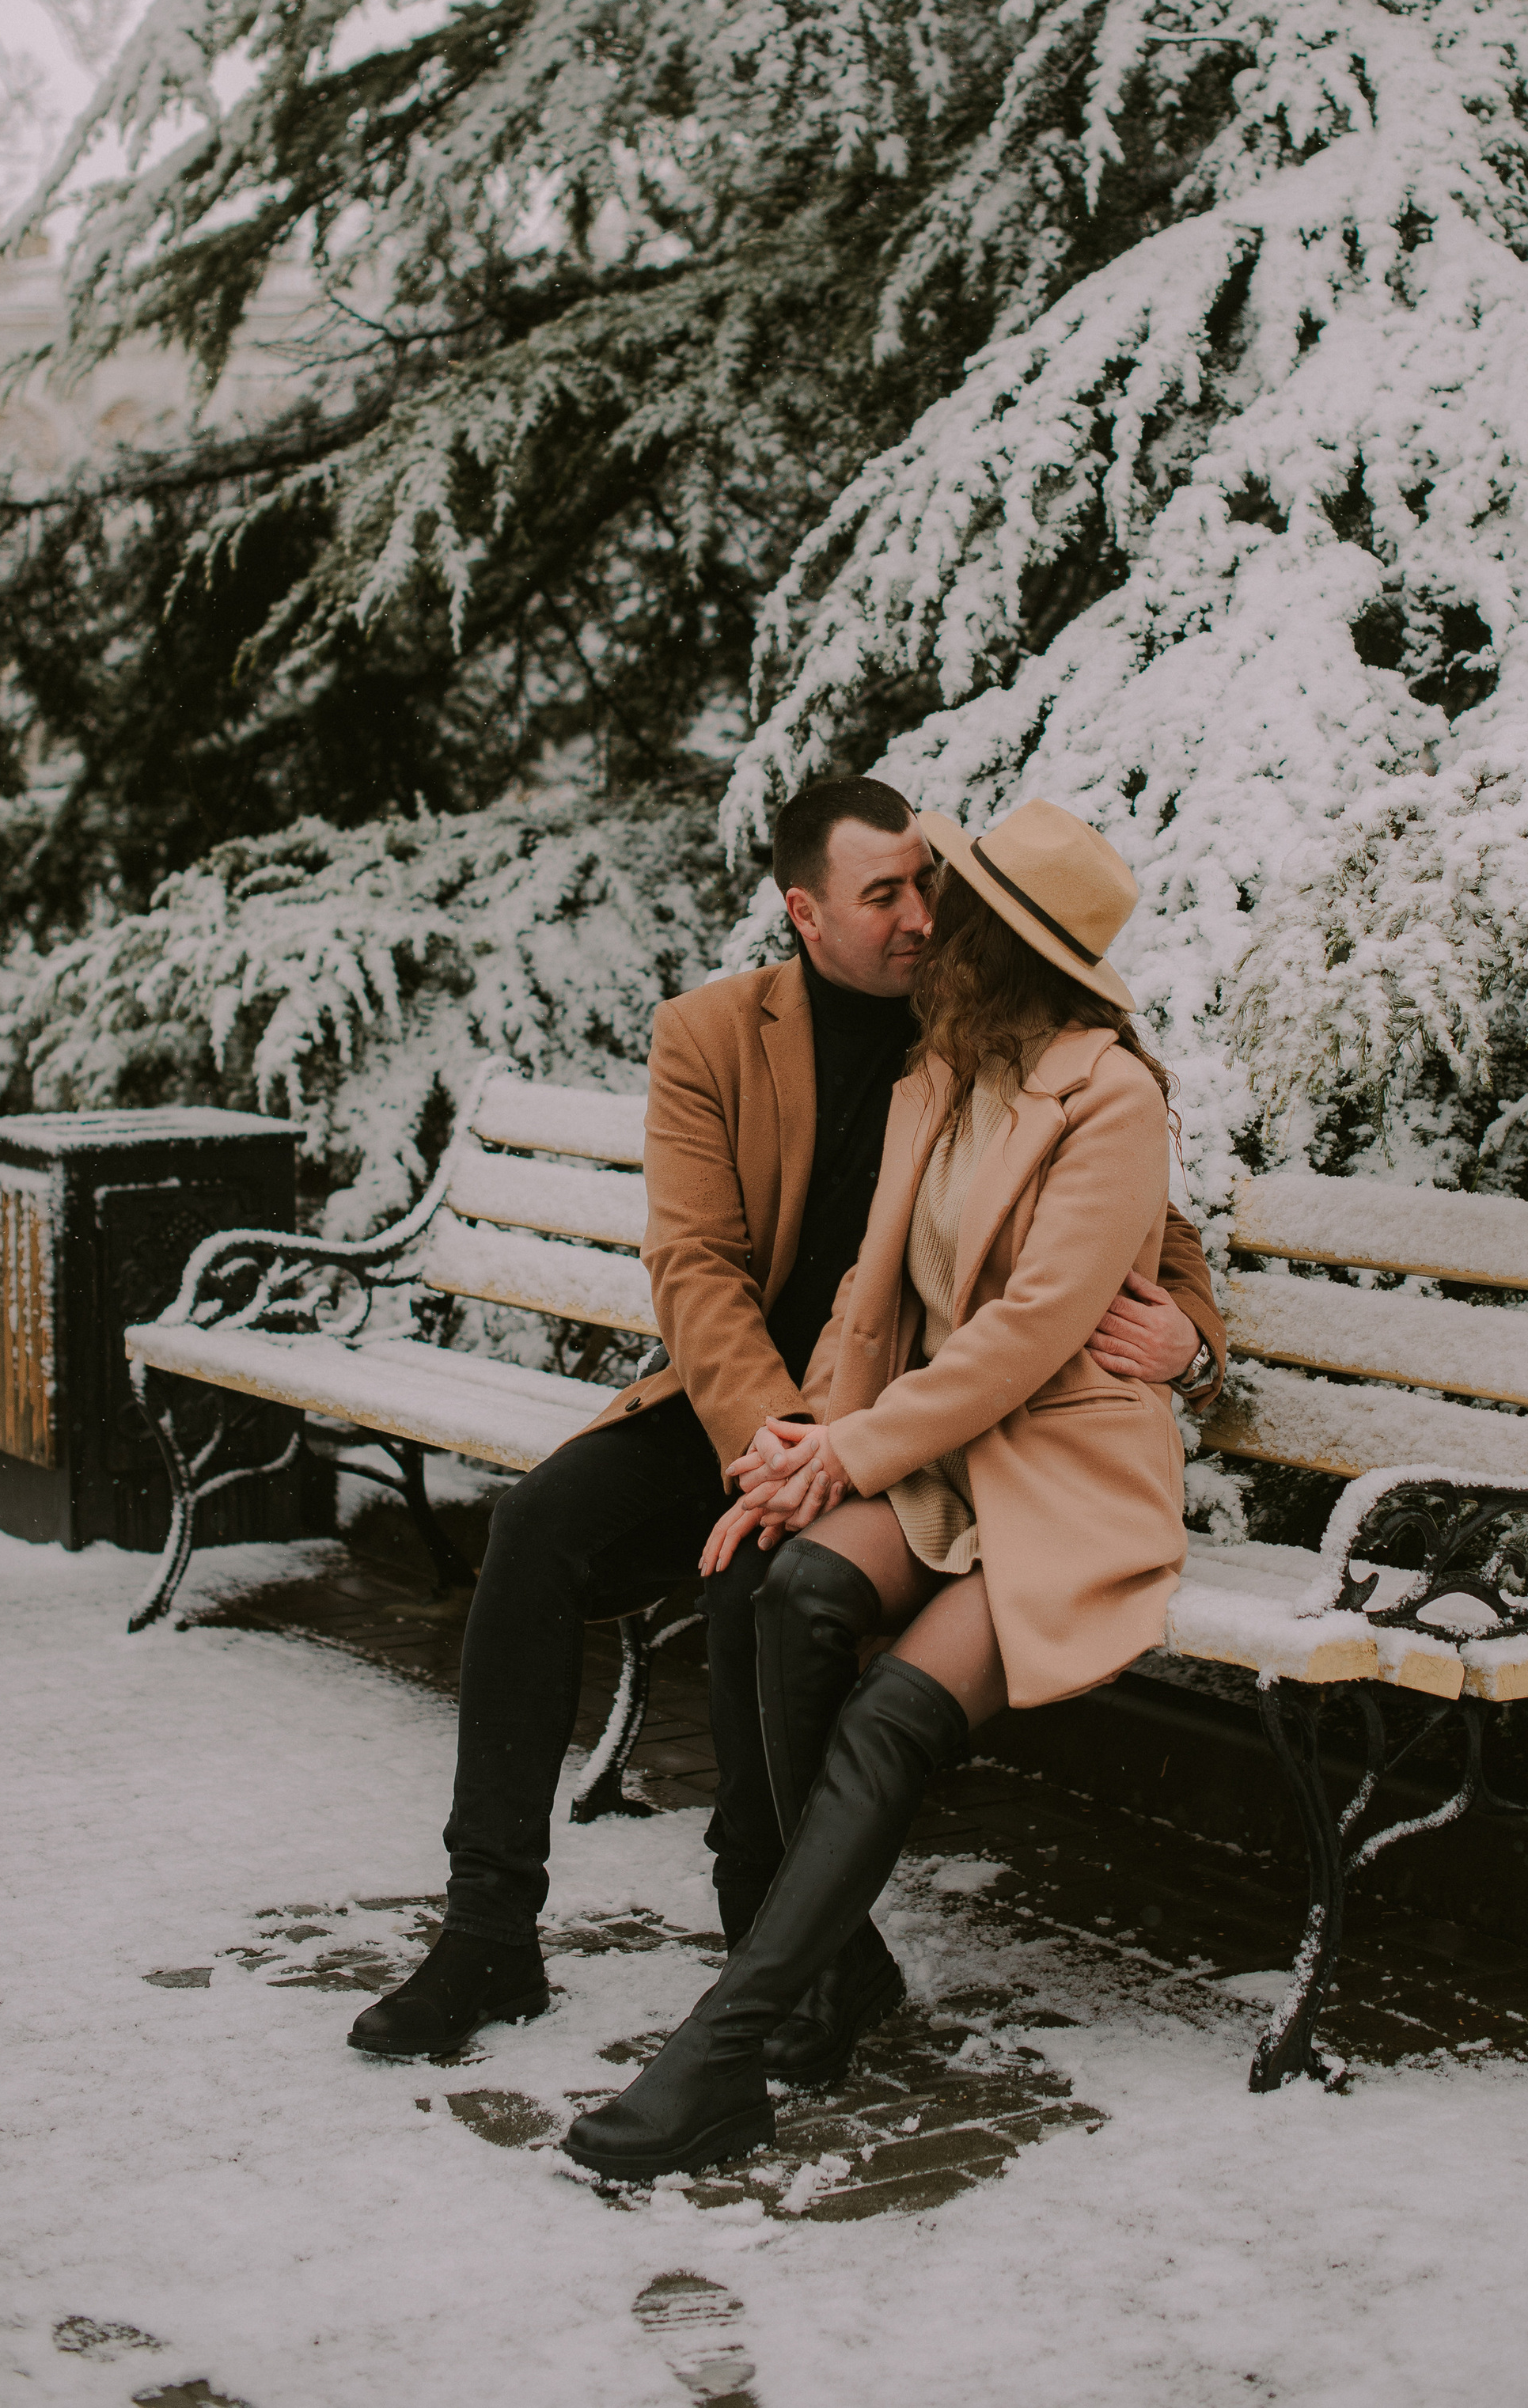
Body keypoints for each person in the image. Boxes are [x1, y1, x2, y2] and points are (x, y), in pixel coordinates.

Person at [349, 779, 1223, 2060]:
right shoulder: (714, 1034)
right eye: (887, 895)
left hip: (899, 1423)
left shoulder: (979, 1009)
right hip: (745, 1407)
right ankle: (487, 1931)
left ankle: (762, 1916)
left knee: (765, 1577)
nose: (922, 916)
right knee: (536, 1529)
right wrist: (772, 1443)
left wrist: (1194, 1337)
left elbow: (1148, 1223)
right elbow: (694, 1267)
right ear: (804, 911)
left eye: (930, 881)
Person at [565, 796, 1197, 2183]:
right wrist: (799, 1455)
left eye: (948, 903)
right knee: (785, 1584)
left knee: (897, 1710)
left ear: (1003, 941)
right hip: (949, 1458)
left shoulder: (1112, 1098)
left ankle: (724, 2052)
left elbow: (1030, 1332)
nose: (923, 920)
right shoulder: (943, 1074)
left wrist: (852, 1453)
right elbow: (871, 1301)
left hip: (1069, 1471)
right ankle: (836, 1970)